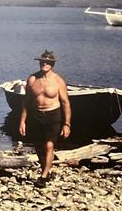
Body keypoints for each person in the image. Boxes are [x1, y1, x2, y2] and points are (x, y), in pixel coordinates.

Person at [19, 50, 71, 188]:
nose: (45, 64)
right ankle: (46, 171)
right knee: (38, 146)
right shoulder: (32, 79)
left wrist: (67, 124)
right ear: (39, 62)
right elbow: (26, 101)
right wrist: (22, 121)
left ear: (52, 64)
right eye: (43, 61)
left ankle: (43, 177)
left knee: (49, 145)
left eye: (48, 62)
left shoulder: (58, 81)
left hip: (52, 115)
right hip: (35, 115)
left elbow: (65, 103)